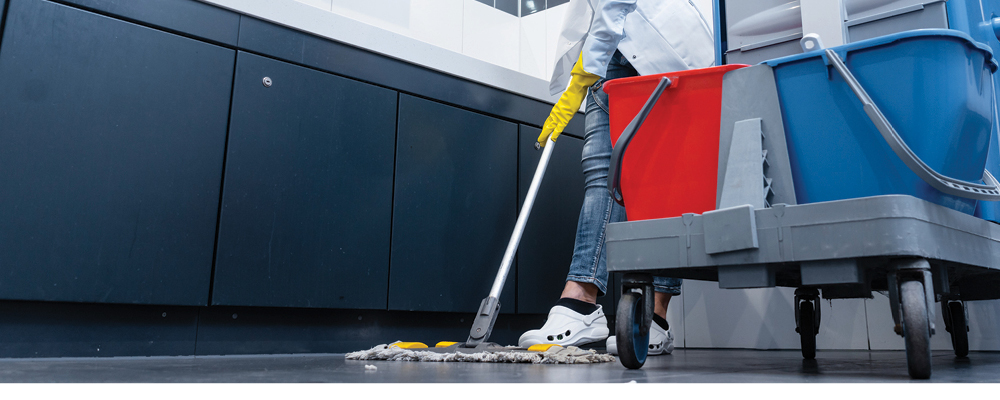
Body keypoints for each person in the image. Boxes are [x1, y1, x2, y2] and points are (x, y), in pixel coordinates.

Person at [518, 0, 715, 355]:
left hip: (652, 44)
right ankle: (584, 302)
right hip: (609, 48)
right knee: (604, 174)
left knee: (668, 183)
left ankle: (651, 316)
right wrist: (587, 64)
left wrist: (586, 68)